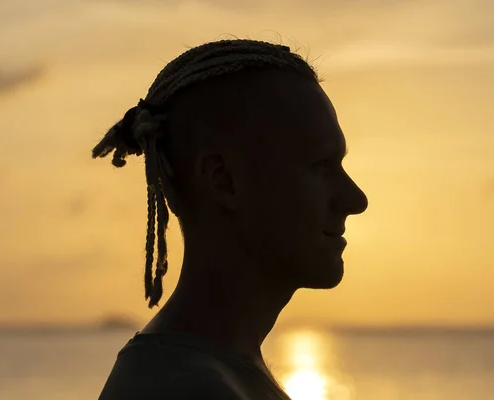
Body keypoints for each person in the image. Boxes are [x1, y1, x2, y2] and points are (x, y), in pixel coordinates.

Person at [94, 39, 368, 400]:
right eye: (320, 166)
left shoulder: (213, 372)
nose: (356, 200)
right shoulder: (185, 388)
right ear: (222, 179)